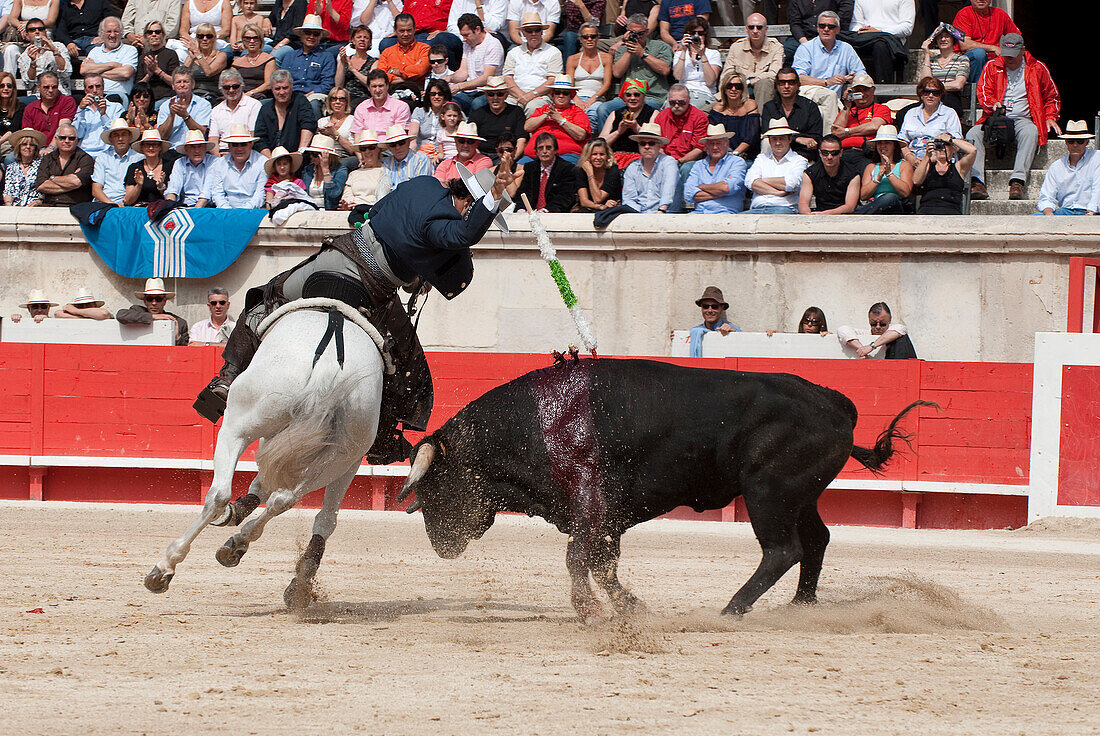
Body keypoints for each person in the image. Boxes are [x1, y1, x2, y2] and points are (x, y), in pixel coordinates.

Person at [195, 158, 517, 465]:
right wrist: (494, 198)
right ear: (469, 204)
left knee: (263, 298)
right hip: (370, 289)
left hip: (334, 259)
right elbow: (463, 234)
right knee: (408, 368)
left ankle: (227, 379)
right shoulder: (447, 225)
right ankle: (383, 439)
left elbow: (373, 213)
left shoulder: (422, 184)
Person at [964, 33, 1060, 202]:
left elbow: (1051, 96)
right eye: (1006, 55)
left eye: (1013, 55)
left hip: (1022, 118)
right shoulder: (992, 66)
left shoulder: (1037, 68)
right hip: (995, 117)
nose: (1009, 59)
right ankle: (977, 182)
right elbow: (983, 91)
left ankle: (1017, 181)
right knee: (972, 134)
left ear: (1023, 50)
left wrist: (1050, 116)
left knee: (1031, 131)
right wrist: (992, 103)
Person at [791, 10, 864, 135]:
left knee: (829, 102)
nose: (826, 29)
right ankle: (830, 140)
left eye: (831, 26)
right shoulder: (806, 48)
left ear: (838, 29)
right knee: (829, 96)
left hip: (833, 100)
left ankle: (827, 146)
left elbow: (861, 73)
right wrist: (827, 82)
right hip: (808, 94)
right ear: (817, 28)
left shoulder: (846, 49)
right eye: (822, 26)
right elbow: (798, 78)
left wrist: (852, 82)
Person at [599, 13, 671, 129]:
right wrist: (629, 51)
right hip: (627, 98)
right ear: (627, 32)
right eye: (633, 33)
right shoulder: (622, 50)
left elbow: (665, 70)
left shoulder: (660, 46)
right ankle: (607, 143)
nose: (637, 36)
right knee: (603, 109)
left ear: (647, 31)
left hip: (651, 96)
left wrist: (642, 54)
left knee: (650, 107)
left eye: (640, 33)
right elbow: (617, 73)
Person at [501, 12, 562, 115]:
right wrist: (522, 95)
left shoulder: (553, 52)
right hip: (515, 95)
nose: (533, 34)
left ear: (542, 32)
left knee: (533, 107)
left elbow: (552, 80)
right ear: (523, 33)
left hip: (541, 96)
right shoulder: (513, 53)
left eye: (537, 30)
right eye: (529, 31)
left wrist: (532, 94)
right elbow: (507, 78)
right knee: (505, 107)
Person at [654, 83, 706, 202]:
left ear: (688, 100)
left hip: (688, 160)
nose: (676, 106)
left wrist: (679, 161)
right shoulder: (662, 116)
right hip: (665, 158)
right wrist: (667, 161)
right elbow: (658, 144)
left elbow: (698, 148)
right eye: (673, 102)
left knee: (686, 168)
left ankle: (683, 201)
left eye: (681, 102)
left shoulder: (699, 117)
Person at [1035, 122, 1100, 217]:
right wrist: (1049, 214)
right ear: (1066, 142)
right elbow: (1047, 196)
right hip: (1065, 211)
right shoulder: (1056, 167)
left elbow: (1098, 189)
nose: (1075, 145)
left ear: (1087, 142)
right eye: (1071, 141)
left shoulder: (1097, 158)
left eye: (1080, 141)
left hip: (1093, 212)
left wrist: (1090, 213)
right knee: (1032, 219)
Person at [743, 116, 807, 213]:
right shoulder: (761, 158)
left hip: (784, 209)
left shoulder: (799, 160)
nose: (777, 143)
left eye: (781, 138)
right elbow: (749, 181)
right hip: (757, 209)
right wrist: (778, 192)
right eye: (774, 139)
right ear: (769, 141)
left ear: (790, 139)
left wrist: (761, 181)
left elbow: (791, 183)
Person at [522, 74, 590, 164]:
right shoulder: (543, 109)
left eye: (565, 93)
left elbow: (581, 135)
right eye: (557, 92)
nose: (561, 96)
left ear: (571, 95)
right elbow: (527, 127)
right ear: (553, 95)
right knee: (520, 168)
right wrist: (545, 116)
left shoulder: (577, 112)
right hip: (535, 155)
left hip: (566, 155)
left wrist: (561, 120)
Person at [759, 66, 821, 161]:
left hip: (802, 154)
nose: (786, 86)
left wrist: (788, 138)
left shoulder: (810, 106)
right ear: (776, 86)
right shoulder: (769, 107)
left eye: (791, 83)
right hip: (775, 153)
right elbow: (767, 132)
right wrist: (797, 139)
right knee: (766, 141)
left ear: (798, 85)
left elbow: (816, 137)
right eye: (782, 83)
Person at [898, 75, 961, 168]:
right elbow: (902, 141)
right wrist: (910, 157)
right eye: (926, 92)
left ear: (941, 95)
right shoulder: (911, 113)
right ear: (921, 94)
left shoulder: (949, 113)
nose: (931, 96)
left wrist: (930, 159)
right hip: (912, 160)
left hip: (939, 160)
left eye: (936, 93)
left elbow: (956, 142)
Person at [683, 123, 747, 214]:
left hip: (725, 213)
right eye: (711, 143)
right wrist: (720, 192)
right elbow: (688, 194)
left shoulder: (737, 162)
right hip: (699, 213)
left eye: (718, 143)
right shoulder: (698, 165)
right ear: (706, 147)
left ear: (727, 144)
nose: (715, 147)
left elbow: (727, 188)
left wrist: (701, 187)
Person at [722, 12, 782, 108]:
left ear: (766, 29)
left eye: (759, 27)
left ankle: (762, 121)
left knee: (764, 83)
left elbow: (775, 73)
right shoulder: (736, 47)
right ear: (746, 28)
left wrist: (754, 80)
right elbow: (726, 73)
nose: (755, 30)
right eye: (751, 27)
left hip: (764, 90)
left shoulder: (776, 47)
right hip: (739, 88)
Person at [831, 72, 890, 171]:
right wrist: (847, 105)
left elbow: (874, 126)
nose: (862, 94)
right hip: (843, 153)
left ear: (873, 90)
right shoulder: (847, 111)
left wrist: (847, 132)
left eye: (866, 89)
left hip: (866, 153)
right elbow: (835, 133)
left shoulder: (881, 108)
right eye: (858, 90)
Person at [278, 13, 334, 115]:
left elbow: (327, 84)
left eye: (316, 34)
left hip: (315, 95)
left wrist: (310, 94)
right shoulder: (290, 56)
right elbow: (282, 80)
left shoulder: (326, 57)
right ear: (301, 35)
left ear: (320, 37)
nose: (311, 37)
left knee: (313, 104)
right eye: (308, 33)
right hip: (290, 95)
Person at [845, 0, 912, 84]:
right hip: (865, 38)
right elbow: (855, 25)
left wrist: (879, 31)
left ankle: (884, 90)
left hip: (890, 40)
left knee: (880, 45)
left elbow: (907, 27)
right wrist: (862, 31)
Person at [951, 0, 1018, 84]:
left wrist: (1008, 50)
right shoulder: (964, 13)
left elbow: (1016, 38)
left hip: (994, 62)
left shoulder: (1000, 13)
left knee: (1020, 55)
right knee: (979, 54)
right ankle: (979, 92)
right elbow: (965, 45)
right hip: (966, 62)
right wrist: (993, 48)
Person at [380, 0, 461, 68]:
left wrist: (445, 30)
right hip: (412, 35)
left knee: (444, 38)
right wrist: (399, 31)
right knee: (386, 43)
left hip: (434, 36)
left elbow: (456, 19)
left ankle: (448, 77)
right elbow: (404, 18)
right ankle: (397, 76)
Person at [255, 67, 316, 155]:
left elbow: (308, 125)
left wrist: (300, 152)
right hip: (272, 160)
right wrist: (271, 160)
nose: (282, 92)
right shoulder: (266, 109)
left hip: (297, 157)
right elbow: (260, 138)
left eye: (285, 88)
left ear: (292, 87)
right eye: (277, 89)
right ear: (272, 89)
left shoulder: (300, 101)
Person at [451, 13, 504, 113]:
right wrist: (448, 79)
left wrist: (459, 86)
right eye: (462, 35)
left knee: (477, 104)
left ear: (478, 29)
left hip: (488, 91)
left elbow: (487, 78)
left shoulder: (493, 44)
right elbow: (463, 71)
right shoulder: (467, 44)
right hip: (469, 91)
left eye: (467, 35)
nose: (464, 39)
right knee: (452, 103)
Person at [598, 77, 657, 168]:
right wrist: (618, 132)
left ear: (644, 96)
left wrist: (636, 128)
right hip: (615, 157)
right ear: (624, 98)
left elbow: (654, 141)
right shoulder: (615, 114)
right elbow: (600, 143)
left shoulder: (653, 113)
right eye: (628, 95)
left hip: (641, 158)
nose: (632, 98)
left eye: (637, 95)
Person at [912, 131, 974, 215]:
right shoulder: (927, 165)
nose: (942, 148)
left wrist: (951, 139)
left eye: (946, 144)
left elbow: (973, 150)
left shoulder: (958, 168)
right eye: (939, 144)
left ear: (953, 149)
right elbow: (916, 180)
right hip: (927, 211)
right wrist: (927, 156)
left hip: (951, 211)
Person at [620, 121, 677, 213]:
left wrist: (661, 210)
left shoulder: (669, 162)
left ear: (659, 145)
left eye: (651, 143)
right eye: (642, 143)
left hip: (667, 215)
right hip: (639, 215)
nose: (646, 147)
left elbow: (669, 189)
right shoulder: (632, 167)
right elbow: (628, 198)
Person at [206, 123, 266, 208]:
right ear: (229, 146)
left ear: (251, 144)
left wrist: (242, 212)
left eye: (243, 144)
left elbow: (260, 195)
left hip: (253, 211)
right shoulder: (220, 163)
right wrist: (228, 212)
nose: (239, 149)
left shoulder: (262, 162)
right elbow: (217, 193)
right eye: (235, 144)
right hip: (226, 211)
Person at [470, 76, 528, 162]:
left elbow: (521, 139)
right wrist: (480, 159)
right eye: (491, 94)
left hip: (508, 155)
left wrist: (511, 159)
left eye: (500, 94)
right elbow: (471, 140)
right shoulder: (478, 113)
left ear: (506, 95)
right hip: (481, 156)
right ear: (486, 95)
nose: (495, 98)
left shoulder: (516, 112)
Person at [798, 132, 859, 213]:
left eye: (834, 153)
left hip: (846, 215)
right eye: (825, 153)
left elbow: (850, 207)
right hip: (820, 214)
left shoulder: (852, 174)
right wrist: (808, 215)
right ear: (819, 153)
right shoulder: (810, 173)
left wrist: (827, 214)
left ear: (841, 153)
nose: (829, 157)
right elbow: (803, 203)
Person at [81, 16, 138, 103]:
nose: (112, 35)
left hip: (118, 95)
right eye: (108, 31)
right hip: (95, 95)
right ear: (102, 34)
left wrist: (96, 71)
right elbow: (84, 70)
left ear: (121, 33)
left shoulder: (130, 50)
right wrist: (112, 65)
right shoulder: (95, 51)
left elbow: (125, 73)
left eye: (116, 31)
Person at [117, 277, 189, 346]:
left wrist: (177, 337)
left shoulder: (179, 323)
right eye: (149, 299)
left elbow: (187, 350)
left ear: (164, 301)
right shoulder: (137, 310)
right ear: (145, 301)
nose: (154, 303)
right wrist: (154, 317)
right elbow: (121, 315)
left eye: (158, 299)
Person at [34, 121, 94, 204]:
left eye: (71, 138)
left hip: (76, 207)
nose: (67, 141)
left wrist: (52, 178)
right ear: (56, 139)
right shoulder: (47, 159)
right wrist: (70, 184)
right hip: (49, 206)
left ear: (76, 140)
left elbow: (76, 182)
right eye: (62, 138)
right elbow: (41, 185)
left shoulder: (85, 159)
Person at [515, 130, 575, 212]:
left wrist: (547, 210)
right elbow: (523, 192)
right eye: (540, 148)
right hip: (531, 213)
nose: (544, 151)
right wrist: (521, 208)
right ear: (536, 151)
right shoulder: (530, 167)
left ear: (556, 150)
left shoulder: (566, 168)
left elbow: (565, 197)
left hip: (555, 213)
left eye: (548, 148)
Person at [564, 19, 609, 128]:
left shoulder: (606, 58)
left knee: (593, 114)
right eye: (585, 37)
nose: (589, 39)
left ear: (598, 38)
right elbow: (570, 84)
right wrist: (577, 100)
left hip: (597, 98)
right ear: (580, 39)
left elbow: (606, 83)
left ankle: (590, 142)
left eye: (593, 36)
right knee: (575, 115)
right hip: (576, 97)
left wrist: (592, 99)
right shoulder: (572, 59)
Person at [917, 22, 968, 117]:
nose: (943, 39)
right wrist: (927, 54)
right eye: (940, 37)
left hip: (950, 97)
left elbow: (958, 84)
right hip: (929, 97)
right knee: (902, 114)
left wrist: (935, 87)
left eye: (947, 36)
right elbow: (925, 82)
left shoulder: (962, 59)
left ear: (953, 40)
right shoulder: (931, 60)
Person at [857, 123, 909, 213]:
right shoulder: (871, 167)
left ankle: (859, 215)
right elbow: (863, 195)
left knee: (890, 197)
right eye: (880, 143)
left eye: (887, 143)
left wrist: (889, 174)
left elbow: (905, 192)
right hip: (875, 206)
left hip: (896, 206)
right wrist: (877, 179)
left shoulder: (904, 165)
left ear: (894, 146)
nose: (882, 146)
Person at [208, 68, 261, 155]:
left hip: (245, 152)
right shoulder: (216, 110)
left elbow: (253, 135)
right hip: (222, 153)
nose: (231, 90)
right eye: (226, 87)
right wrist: (219, 158)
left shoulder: (253, 105)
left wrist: (235, 156)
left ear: (242, 85)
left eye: (235, 86)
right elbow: (213, 139)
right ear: (221, 89)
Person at [1, 0, 61, 78]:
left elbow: (51, 21)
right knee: (10, 50)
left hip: (44, 37)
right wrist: (21, 27)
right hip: (25, 38)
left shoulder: (54, 1)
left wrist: (30, 25)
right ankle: (9, 81)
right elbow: (11, 18)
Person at [156, 67, 213, 147]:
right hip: (171, 151)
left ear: (193, 84)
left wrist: (185, 116)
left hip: (194, 149)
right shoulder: (165, 106)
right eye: (178, 82)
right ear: (173, 86)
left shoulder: (203, 104)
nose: (182, 85)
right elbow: (161, 136)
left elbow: (201, 133)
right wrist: (171, 116)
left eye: (185, 81)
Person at [671, 16, 720, 110]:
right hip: (681, 94)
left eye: (701, 33)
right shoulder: (680, 54)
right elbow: (678, 76)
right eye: (693, 33)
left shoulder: (713, 54)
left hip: (704, 94)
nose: (696, 36)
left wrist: (702, 55)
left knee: (690, 108)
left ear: (705, 35)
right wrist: (684, 51)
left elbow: (710, 81)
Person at [837, 301, 916, 358]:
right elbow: (843, 329)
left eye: (882, 324)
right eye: (873, 324)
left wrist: (872, 346)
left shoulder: (895, 329)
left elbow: (900, 329)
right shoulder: (864, 334)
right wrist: (862, 349)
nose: (878, 327)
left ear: (889, 320)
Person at [784, 0, 853, 64]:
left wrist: (830, 29)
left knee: (844, 48)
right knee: (786, 50)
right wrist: (806, 44)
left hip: (829, 35)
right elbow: (795, 24)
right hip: (804, 37)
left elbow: (844, 13)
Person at [91, 117, 141, 204]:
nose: (120, 138)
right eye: (116, 135)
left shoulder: (139, 158)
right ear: (110, 139)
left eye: (124, 134)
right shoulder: (103, 157)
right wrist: (112, 205)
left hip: (129, 203)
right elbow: (96, 190)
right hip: (104, 203)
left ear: (130, 137)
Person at [72, 72, 125, 156]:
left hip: (107, 153)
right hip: (84, 154)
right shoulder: (81, 110)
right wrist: (80, 110)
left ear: (103, 88)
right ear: (85, 91)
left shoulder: (116, 107)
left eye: (98, 86)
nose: (95, 90)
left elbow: (117, 134)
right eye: (90, 87)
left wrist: (103, 115)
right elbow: (77, 134)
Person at [16, 18, 72, 95]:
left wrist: (55, 52)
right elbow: (28, 84)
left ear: (45, 32)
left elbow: (66, 72)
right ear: (27, 35)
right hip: (37, 96)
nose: (37, 31)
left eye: (40, 29)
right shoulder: (24, 56)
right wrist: (33, 63)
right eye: (32, 30)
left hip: (60, 93)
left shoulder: (58, 47)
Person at [374, 12, 430, 89]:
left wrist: (396, 71)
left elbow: (420, 70)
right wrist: (405, 78)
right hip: (392, 92)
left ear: (414, 29)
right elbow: (381, 76)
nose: (406, 34)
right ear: (395, 30)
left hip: (417, 91)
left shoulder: (424, 49)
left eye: (409, 30)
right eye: (402, 31)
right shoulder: (387, 52)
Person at [351, 68, 411, 135]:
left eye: (381, 86)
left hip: (392, 144)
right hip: (368, 145)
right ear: (368, 88)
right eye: (374, 86)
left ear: (387, 86)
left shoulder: (401, 107)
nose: (377, 90)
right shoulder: (361, 108)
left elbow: (400, 136)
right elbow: (357, 135)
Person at [339, 128, 390, 207]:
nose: (367, 151)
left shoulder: (387, 171)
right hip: (354, 210)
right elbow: (347, 196)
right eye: (363, 149)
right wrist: (346, 204)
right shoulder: (354, 174)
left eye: (371, 147)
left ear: (378, 149)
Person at [22, 69, 75, 144]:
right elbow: (28, 134)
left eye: (54, 87)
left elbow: (62, 130)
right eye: (46, 87)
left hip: (60, 147)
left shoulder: (67, 102)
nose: (50, 90)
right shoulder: (30, 108)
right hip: (36, 149)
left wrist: (51, 148)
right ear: (38, 88)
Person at [165, 127, 215, 205]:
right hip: (185, 205)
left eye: (200, 146)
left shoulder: (214, 161)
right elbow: (173, 188)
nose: (197, 151)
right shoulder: (179, 162)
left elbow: (207, 191)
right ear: (186, 150)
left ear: (205, 148)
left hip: (207, 206)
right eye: (193, 147)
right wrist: (169, 206)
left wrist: (195, 212)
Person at [180, 21, 228, 102]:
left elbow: (208, 72)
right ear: (197, 39)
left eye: (208, 36)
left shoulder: (221, 56)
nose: (204, 39)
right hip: (192, 95)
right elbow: (182, 75)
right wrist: (191, 58)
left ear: (214, 38)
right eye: (201, 36)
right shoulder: (193, 54)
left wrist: (197, 53)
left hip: (212, 95)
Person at [134, 20, 180, 104]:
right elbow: (138, 86)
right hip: (146, 99)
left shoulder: (171, 54)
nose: (154, 34)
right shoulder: (143, 57)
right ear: (146, 36)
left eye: (157, 32)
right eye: (150, 32)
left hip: (166, 97)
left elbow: (175, 82)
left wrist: (157, 71)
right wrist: (149, 75)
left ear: (163, 35)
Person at [124, 127, 173, 204]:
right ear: (142, 147)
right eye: (147, 145)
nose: (151, 148)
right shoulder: (134, 168)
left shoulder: (170, 166)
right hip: (140, 209)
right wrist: (139, 185)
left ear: (160, 147)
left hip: (162, 209)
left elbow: (172, 198)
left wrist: (161, 187)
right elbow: (128, 201)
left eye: (155, 145)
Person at [299, 133, 348, 209]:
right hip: (309, 209)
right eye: (310, 153)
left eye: (315, 154)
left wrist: (325, 170)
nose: (311, 157)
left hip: (329, 211)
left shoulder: (340, 170)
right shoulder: (308, 170)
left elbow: (334, 194)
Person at [688, 285, 737, 358]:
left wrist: (734, 334)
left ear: (722, 308)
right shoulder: (694, 332)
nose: (709, 310)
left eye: (714, 307)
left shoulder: (731, 329)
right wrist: (678, 338)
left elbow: (743, 344)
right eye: (705, 306)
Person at [574, 137, 620, 211]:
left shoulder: (613, 171)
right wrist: (601, 206)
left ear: (607, 156)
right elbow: (584, 201)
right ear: (588, 156)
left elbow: (598, 198)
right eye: (594, 154)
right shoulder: (580, 171)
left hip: (611, 210)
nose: (598, 157)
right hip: (588, 209)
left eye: (602, 154)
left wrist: (590, 174)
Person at [3, 127, 44, 205]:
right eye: (24, 144)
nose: (28, 147)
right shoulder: (11, 167)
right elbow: (7, 191)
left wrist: (39, 202)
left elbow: (45, 190)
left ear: (35, 148)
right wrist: (9, 204)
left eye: (32, 145)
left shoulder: (42, 165)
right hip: (14, 208)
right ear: (19, 147)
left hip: (35, 208)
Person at [233, 22, 276, 99]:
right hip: (240, 96)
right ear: (243, 40)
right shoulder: (237, 63)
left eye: (255, 38)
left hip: (260, 96)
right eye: (248, 38)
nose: (252, 41)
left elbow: (268, 84)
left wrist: (251, 93)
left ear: (260, 40)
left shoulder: (268, 59)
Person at [335, 24, 373, 106]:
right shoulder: (345, 60)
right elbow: (338, 85)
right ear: (353, 40)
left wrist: (353, 70)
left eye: (366, 38)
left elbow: (371, 84)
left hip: (364, 98)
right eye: (359, 37)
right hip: (345, 97)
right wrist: (342, 61)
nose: (362, 39)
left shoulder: (374, 62)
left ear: (369, 42)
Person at [316, 84, 355, 163]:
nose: (337, 102)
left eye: (341, 99)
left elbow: (352, 150)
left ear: (346, 102)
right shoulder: (321, 122)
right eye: (334, 99)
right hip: (324, 156)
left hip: (344, 157)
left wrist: (334, 134)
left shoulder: (353, 120)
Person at [409, 77, 449, 153]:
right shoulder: (419, 112)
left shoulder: (452, 114)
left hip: (443, 154)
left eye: (440, 94)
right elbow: (412, 137)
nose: (436, 97)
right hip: (421, 153)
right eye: (433, 94)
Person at [0, 71, 25, 156]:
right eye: (2, 86)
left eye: (9, 86)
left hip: (9, 144)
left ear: (13, 88)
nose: (6, 88)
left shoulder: (20, 106)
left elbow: (13, 130)